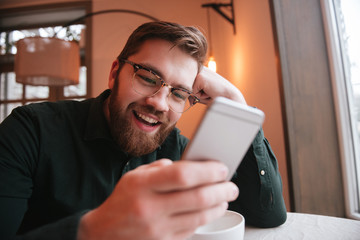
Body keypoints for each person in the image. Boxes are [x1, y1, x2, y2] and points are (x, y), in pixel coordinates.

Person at [0, 21, 287, 240]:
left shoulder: (180, 151)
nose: (158, 103)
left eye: (178, 93)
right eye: (148, 78)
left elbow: (269, 216)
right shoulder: (30, 131)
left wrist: (237, 103)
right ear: (115, 73)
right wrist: (93, 229)